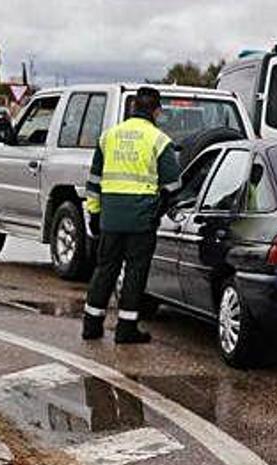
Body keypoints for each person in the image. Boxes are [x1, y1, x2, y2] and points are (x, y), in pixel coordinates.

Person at [82, 87, 180, 344]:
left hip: (110, 218)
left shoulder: (108, 137)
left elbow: (93, 182)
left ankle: (91, 325)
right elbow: (172, 185)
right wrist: (160, 210)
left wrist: (94, 213)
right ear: (157, 111)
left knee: (105, 269)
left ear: (133, 107)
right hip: (141, 219)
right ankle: (126, 329)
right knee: (135, 273)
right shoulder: (159, 140)